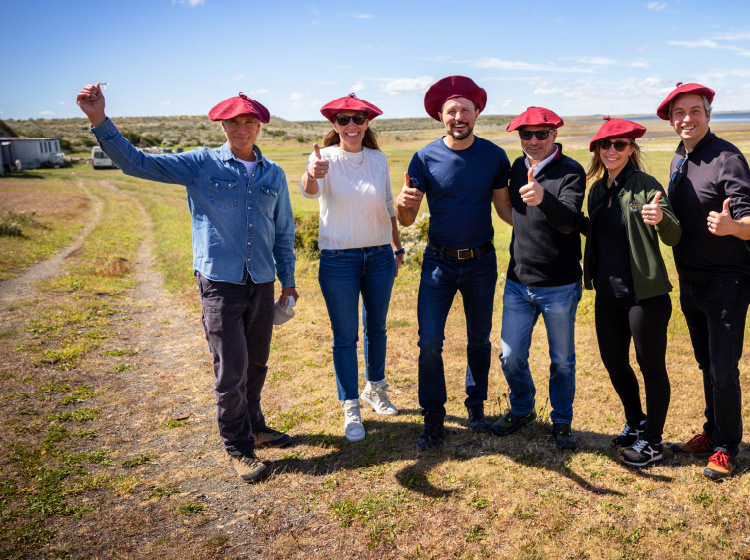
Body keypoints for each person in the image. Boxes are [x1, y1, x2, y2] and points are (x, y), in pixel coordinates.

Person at [76, 85, 298, 484]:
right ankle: (239, 449)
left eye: (249, 121)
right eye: (234, 122)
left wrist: (289, 282)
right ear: (223, 126)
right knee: (231, 367)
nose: (242, 128)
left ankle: (255, 424)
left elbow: (283, 233)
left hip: (263, 282)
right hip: (220, 283)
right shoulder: (200, 164)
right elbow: (137, 164)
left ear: (259, 126)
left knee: (258, 362)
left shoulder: (274, 174)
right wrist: (99, 121)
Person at [394, 76, 512, 451]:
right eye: (451, 111)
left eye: (465, 110)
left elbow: (505, 209)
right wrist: (401, 203)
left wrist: (546, 223)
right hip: (437, 265)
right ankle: (433, 417)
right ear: (440, 117)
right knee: (429, 341)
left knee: (479, 340)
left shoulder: (494, 156)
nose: (458, 116)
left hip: (481, 262)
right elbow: (407, 219)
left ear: (477, 113)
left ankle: (475, 408)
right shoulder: (424, 157)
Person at [656, 83, 750, 480]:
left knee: (723, 368)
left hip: (726, 282)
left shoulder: (726, 157)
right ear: (671, 119)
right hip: (691, 280)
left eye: (695, 111)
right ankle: (711, 430)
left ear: (708, 114)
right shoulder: (679, 160)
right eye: (679, 112)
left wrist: (733, 225)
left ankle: (726, 447)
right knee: (706, 364)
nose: (687, 118)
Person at [300, 94, 405, 443]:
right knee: (345, 337)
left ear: (367, 123)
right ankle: (350, 406)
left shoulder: (378, 159)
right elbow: (309, 190)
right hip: (338, 258)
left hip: (378, 255)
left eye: (358, 119)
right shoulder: (324, 159)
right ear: (334, 124)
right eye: (343, 120)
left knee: (377, 328)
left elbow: (389, 204)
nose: (351, 126)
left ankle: (375, 389)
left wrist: (396, 245)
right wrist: (311, 174)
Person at [582, 117, 681, 467]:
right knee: (613, 362)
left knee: (651, 365)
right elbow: (594, 232)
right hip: (608, 294)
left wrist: (661, 218)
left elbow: (674, 235)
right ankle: (636, 421)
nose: (611, 150)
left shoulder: (646, 186)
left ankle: (653, 442)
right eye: (605, 145)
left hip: (645, 295)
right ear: (597, 149)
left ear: (631, 149)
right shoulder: (596, 190)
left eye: (620, 144)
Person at [491, 107, 586, 450]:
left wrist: (544, 199)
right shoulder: (518, 167)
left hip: (559, 286)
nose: (533, 141)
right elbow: (511, 212)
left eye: (541, 134)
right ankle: (523, 408)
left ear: (554, 135)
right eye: (526, 135)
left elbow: (570, 222)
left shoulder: (571, 171)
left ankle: (561, 420)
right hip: (518, 281)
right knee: (510, 355)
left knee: (562, 360)